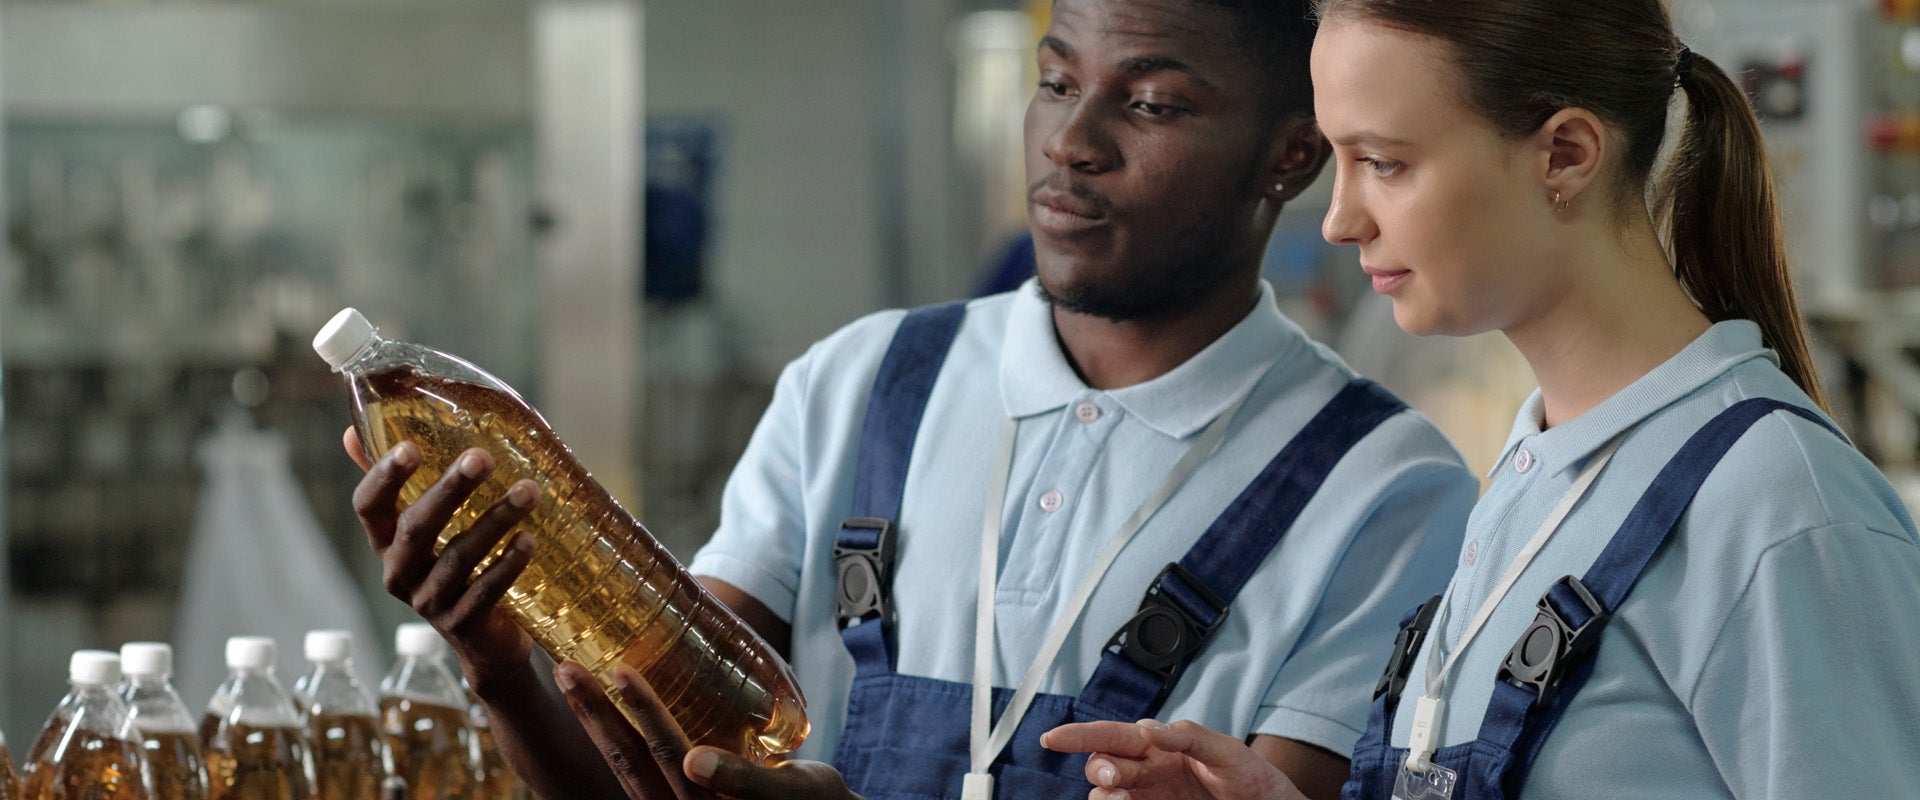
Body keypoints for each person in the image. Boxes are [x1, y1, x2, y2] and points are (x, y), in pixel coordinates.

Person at [343, 1, 1480, 798]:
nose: (1071, 142)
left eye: (1152, 104)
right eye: (1056, 81)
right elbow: (644, 769)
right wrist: (500, 667)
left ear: (1291, 154)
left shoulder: (1384, 493)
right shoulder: (860, 385)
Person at [1043, 1, 1920, 798]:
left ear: (1564, 154)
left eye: (1384, 162)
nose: (1343, 219)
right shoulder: (1539, 474)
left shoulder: (1776, 507)